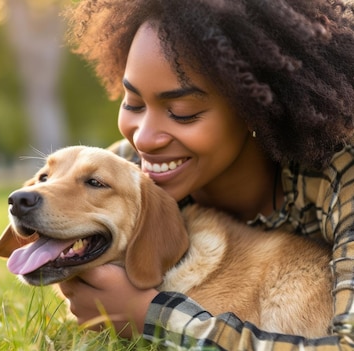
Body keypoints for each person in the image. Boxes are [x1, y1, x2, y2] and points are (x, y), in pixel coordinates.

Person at [58, 0, 354, 349]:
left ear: (254, 110)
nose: (144, 139)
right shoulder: (125, 174)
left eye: (182, 112)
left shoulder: (340, 175)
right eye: (133, 103)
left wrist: (150, 316)